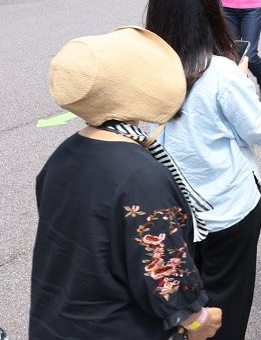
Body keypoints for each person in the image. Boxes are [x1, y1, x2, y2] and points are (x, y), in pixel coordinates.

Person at [32, 26, 222, 340]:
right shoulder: (140, 176)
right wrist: (199, 318)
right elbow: (165, 273)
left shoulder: (63, 155)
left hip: (55, 322)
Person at [145, 0, 261, 340]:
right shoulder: (220, 73)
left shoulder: (144, 71)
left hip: (168, 213)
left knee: (180, 306)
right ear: (211, 13)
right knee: (226, 310)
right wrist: (245, 81)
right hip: (226, 211)